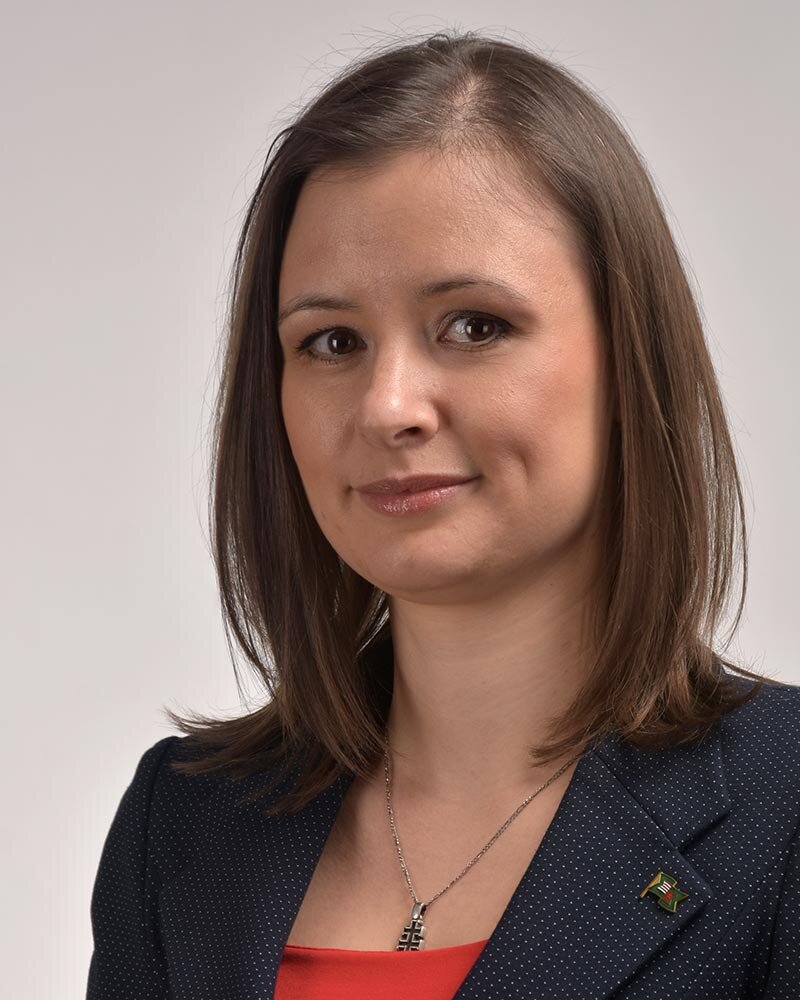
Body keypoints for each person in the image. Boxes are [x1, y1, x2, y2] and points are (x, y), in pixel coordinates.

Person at [85, 28, 800, 1000]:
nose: (388, 407)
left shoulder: (782, 806)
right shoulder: (182, 825)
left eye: (473, 325)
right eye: (332, 341)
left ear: (629, 355)